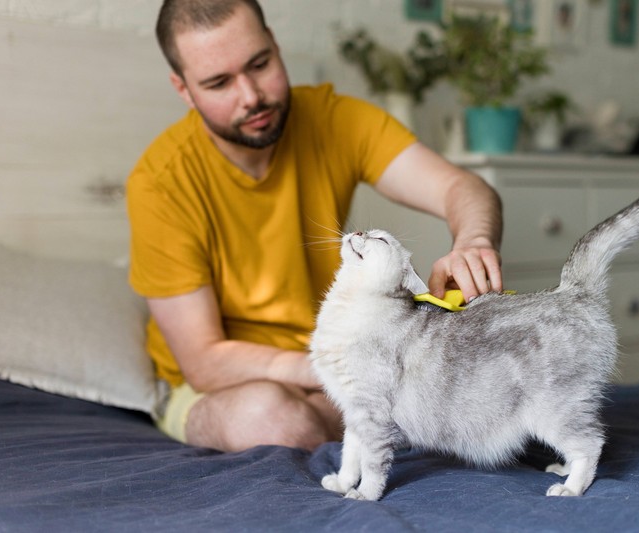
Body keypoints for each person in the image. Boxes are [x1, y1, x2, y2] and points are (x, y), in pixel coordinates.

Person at [127, 0, 503, 453]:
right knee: (272, 418)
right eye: (219, 83)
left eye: (260, 64)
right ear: (184, 89)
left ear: (275, 45)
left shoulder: (333, 119)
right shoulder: (160, 183)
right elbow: (205, 363)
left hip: (332, 358)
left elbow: (461, 188)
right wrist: (344, 363)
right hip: (220, 385)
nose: (251, 96)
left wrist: (474, 240)